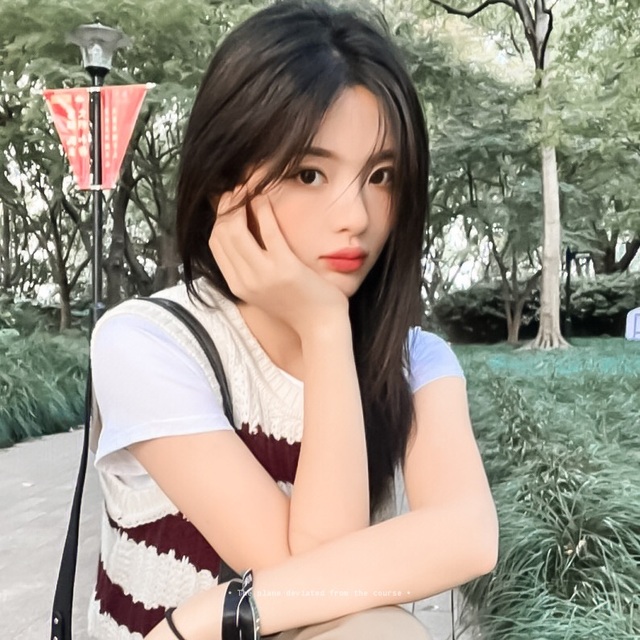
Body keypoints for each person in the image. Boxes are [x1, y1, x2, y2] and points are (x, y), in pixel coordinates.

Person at [88, 1, 499, 639]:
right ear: (225, 183)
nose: (356, 217)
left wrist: (214, 613)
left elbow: (469, 535)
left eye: (381, 176)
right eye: (310, 173)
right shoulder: (149, 341)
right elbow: (305, 578)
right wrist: (327, 328)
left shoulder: (413, 360)